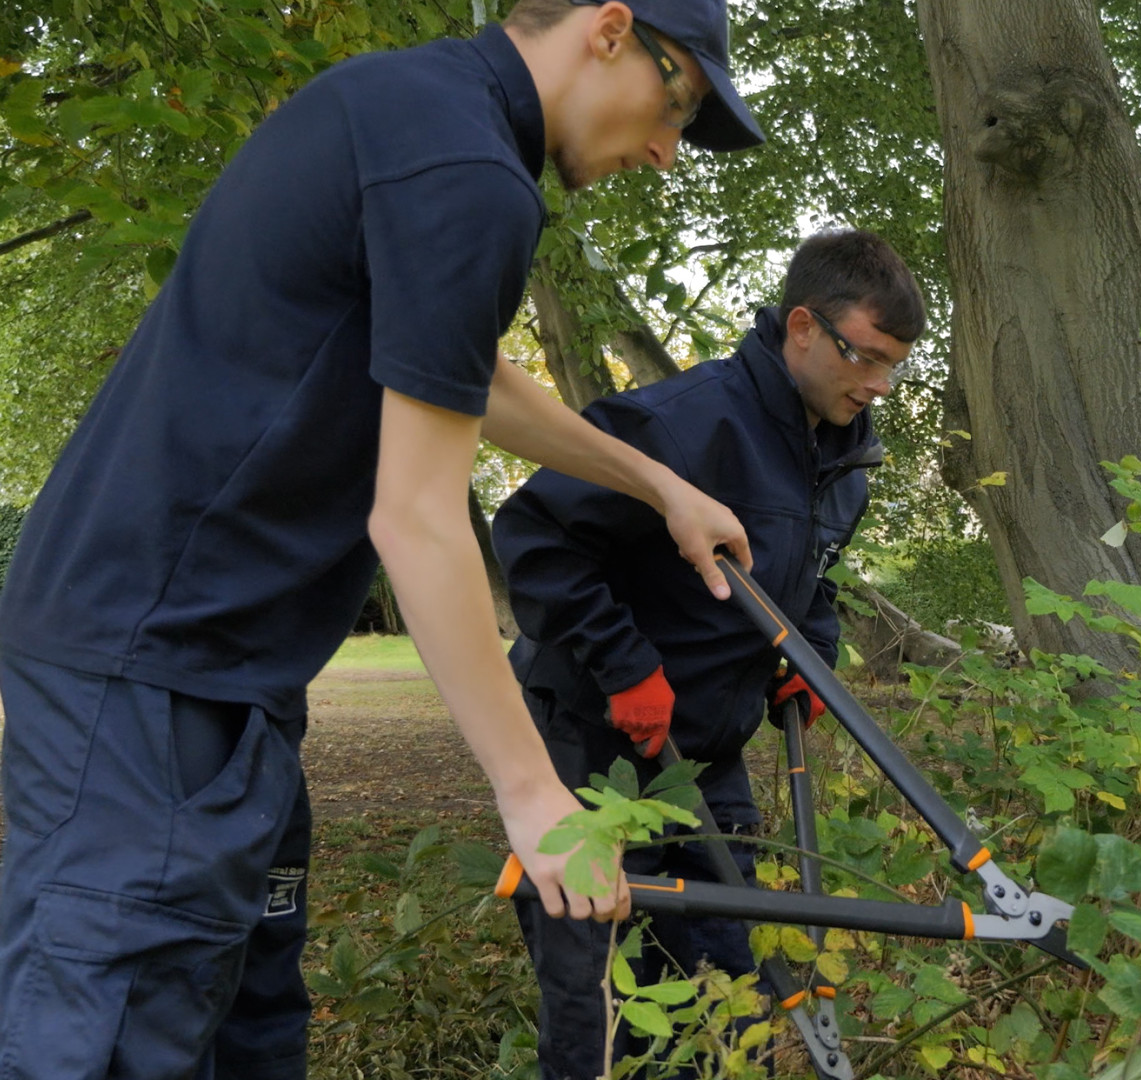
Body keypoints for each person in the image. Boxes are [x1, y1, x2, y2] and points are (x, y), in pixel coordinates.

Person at [0, 2, 765, 1076]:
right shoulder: (468, 173)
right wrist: (534, 791)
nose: (666, 151)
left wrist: (658, 485)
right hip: (153, 665)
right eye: (676, 100)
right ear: (607, 30)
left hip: (219, 668)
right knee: (112, 1035)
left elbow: (465, 375)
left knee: (247, 1025)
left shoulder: (414, 109)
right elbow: (414, 520)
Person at [492, 229, 925, 1080]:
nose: (878, 386)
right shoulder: (678, 424)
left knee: (731, 981)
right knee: (603, 997)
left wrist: (812, 657)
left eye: (894, 367)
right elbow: (536, 537)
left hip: (707, 760)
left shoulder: (845, 458)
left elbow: (812, 582)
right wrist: (624, 665)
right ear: (802, 326)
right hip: (589, 744)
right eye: (864, 357)